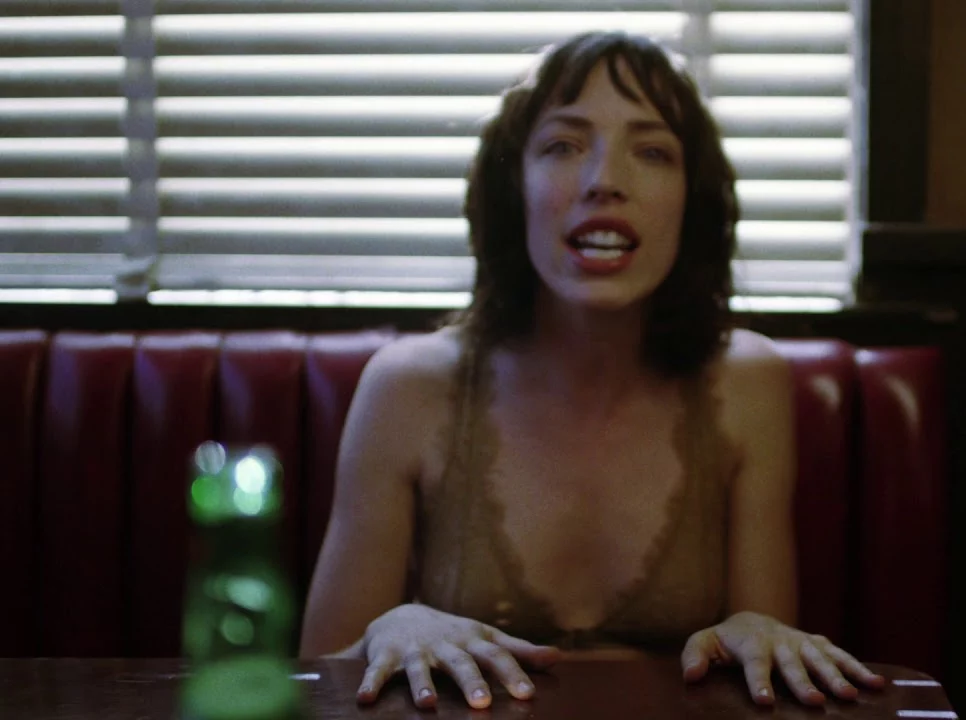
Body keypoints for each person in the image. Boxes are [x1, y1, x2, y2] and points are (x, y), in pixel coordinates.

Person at [298, 30, 884, 711]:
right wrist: (391, 629)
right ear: (512, 189)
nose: (606, 179)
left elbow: (767, 678)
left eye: (652, 151)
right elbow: (315, 683)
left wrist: (758, 632)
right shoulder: (407, 387)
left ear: (691, 199)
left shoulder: (747, 383)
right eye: (563, 146)